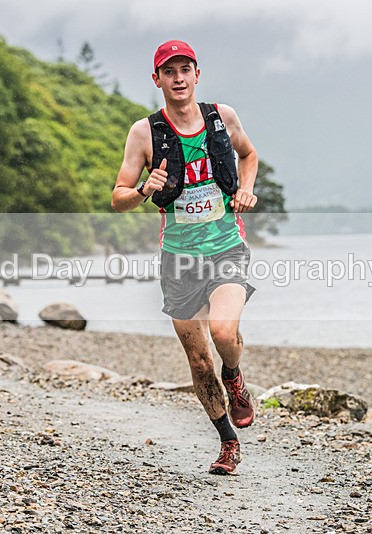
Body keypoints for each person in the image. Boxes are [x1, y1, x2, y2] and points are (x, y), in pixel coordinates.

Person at [112, 41, 259, 475]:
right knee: (197, 360)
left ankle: (234, 377)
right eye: (168, 71)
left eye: (185, 69)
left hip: (226, 247)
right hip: (178, 257)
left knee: (223, 331)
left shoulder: (222, 117)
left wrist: (247, 188)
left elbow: (248, 155)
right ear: (156, 79)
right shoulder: (145, 133)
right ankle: (227, 443)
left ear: (197, 75)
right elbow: (118, 197)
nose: (178, 78)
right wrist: (143, 190)